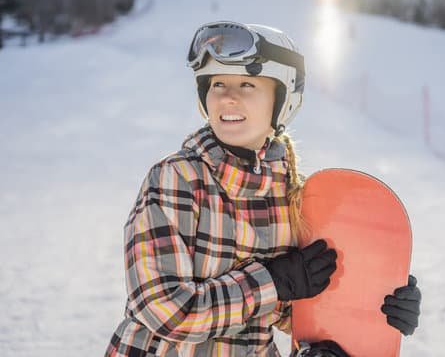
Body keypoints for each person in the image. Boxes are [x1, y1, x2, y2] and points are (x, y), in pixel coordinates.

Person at [105, 21, 421, 357]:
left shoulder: (289, 195)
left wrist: (374, 306)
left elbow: (294, 309)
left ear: (282, 100)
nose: (228, 97)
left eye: (246, 84)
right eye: (217, 84)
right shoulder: (176, 179)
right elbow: (163, 310)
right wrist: (272, 281)